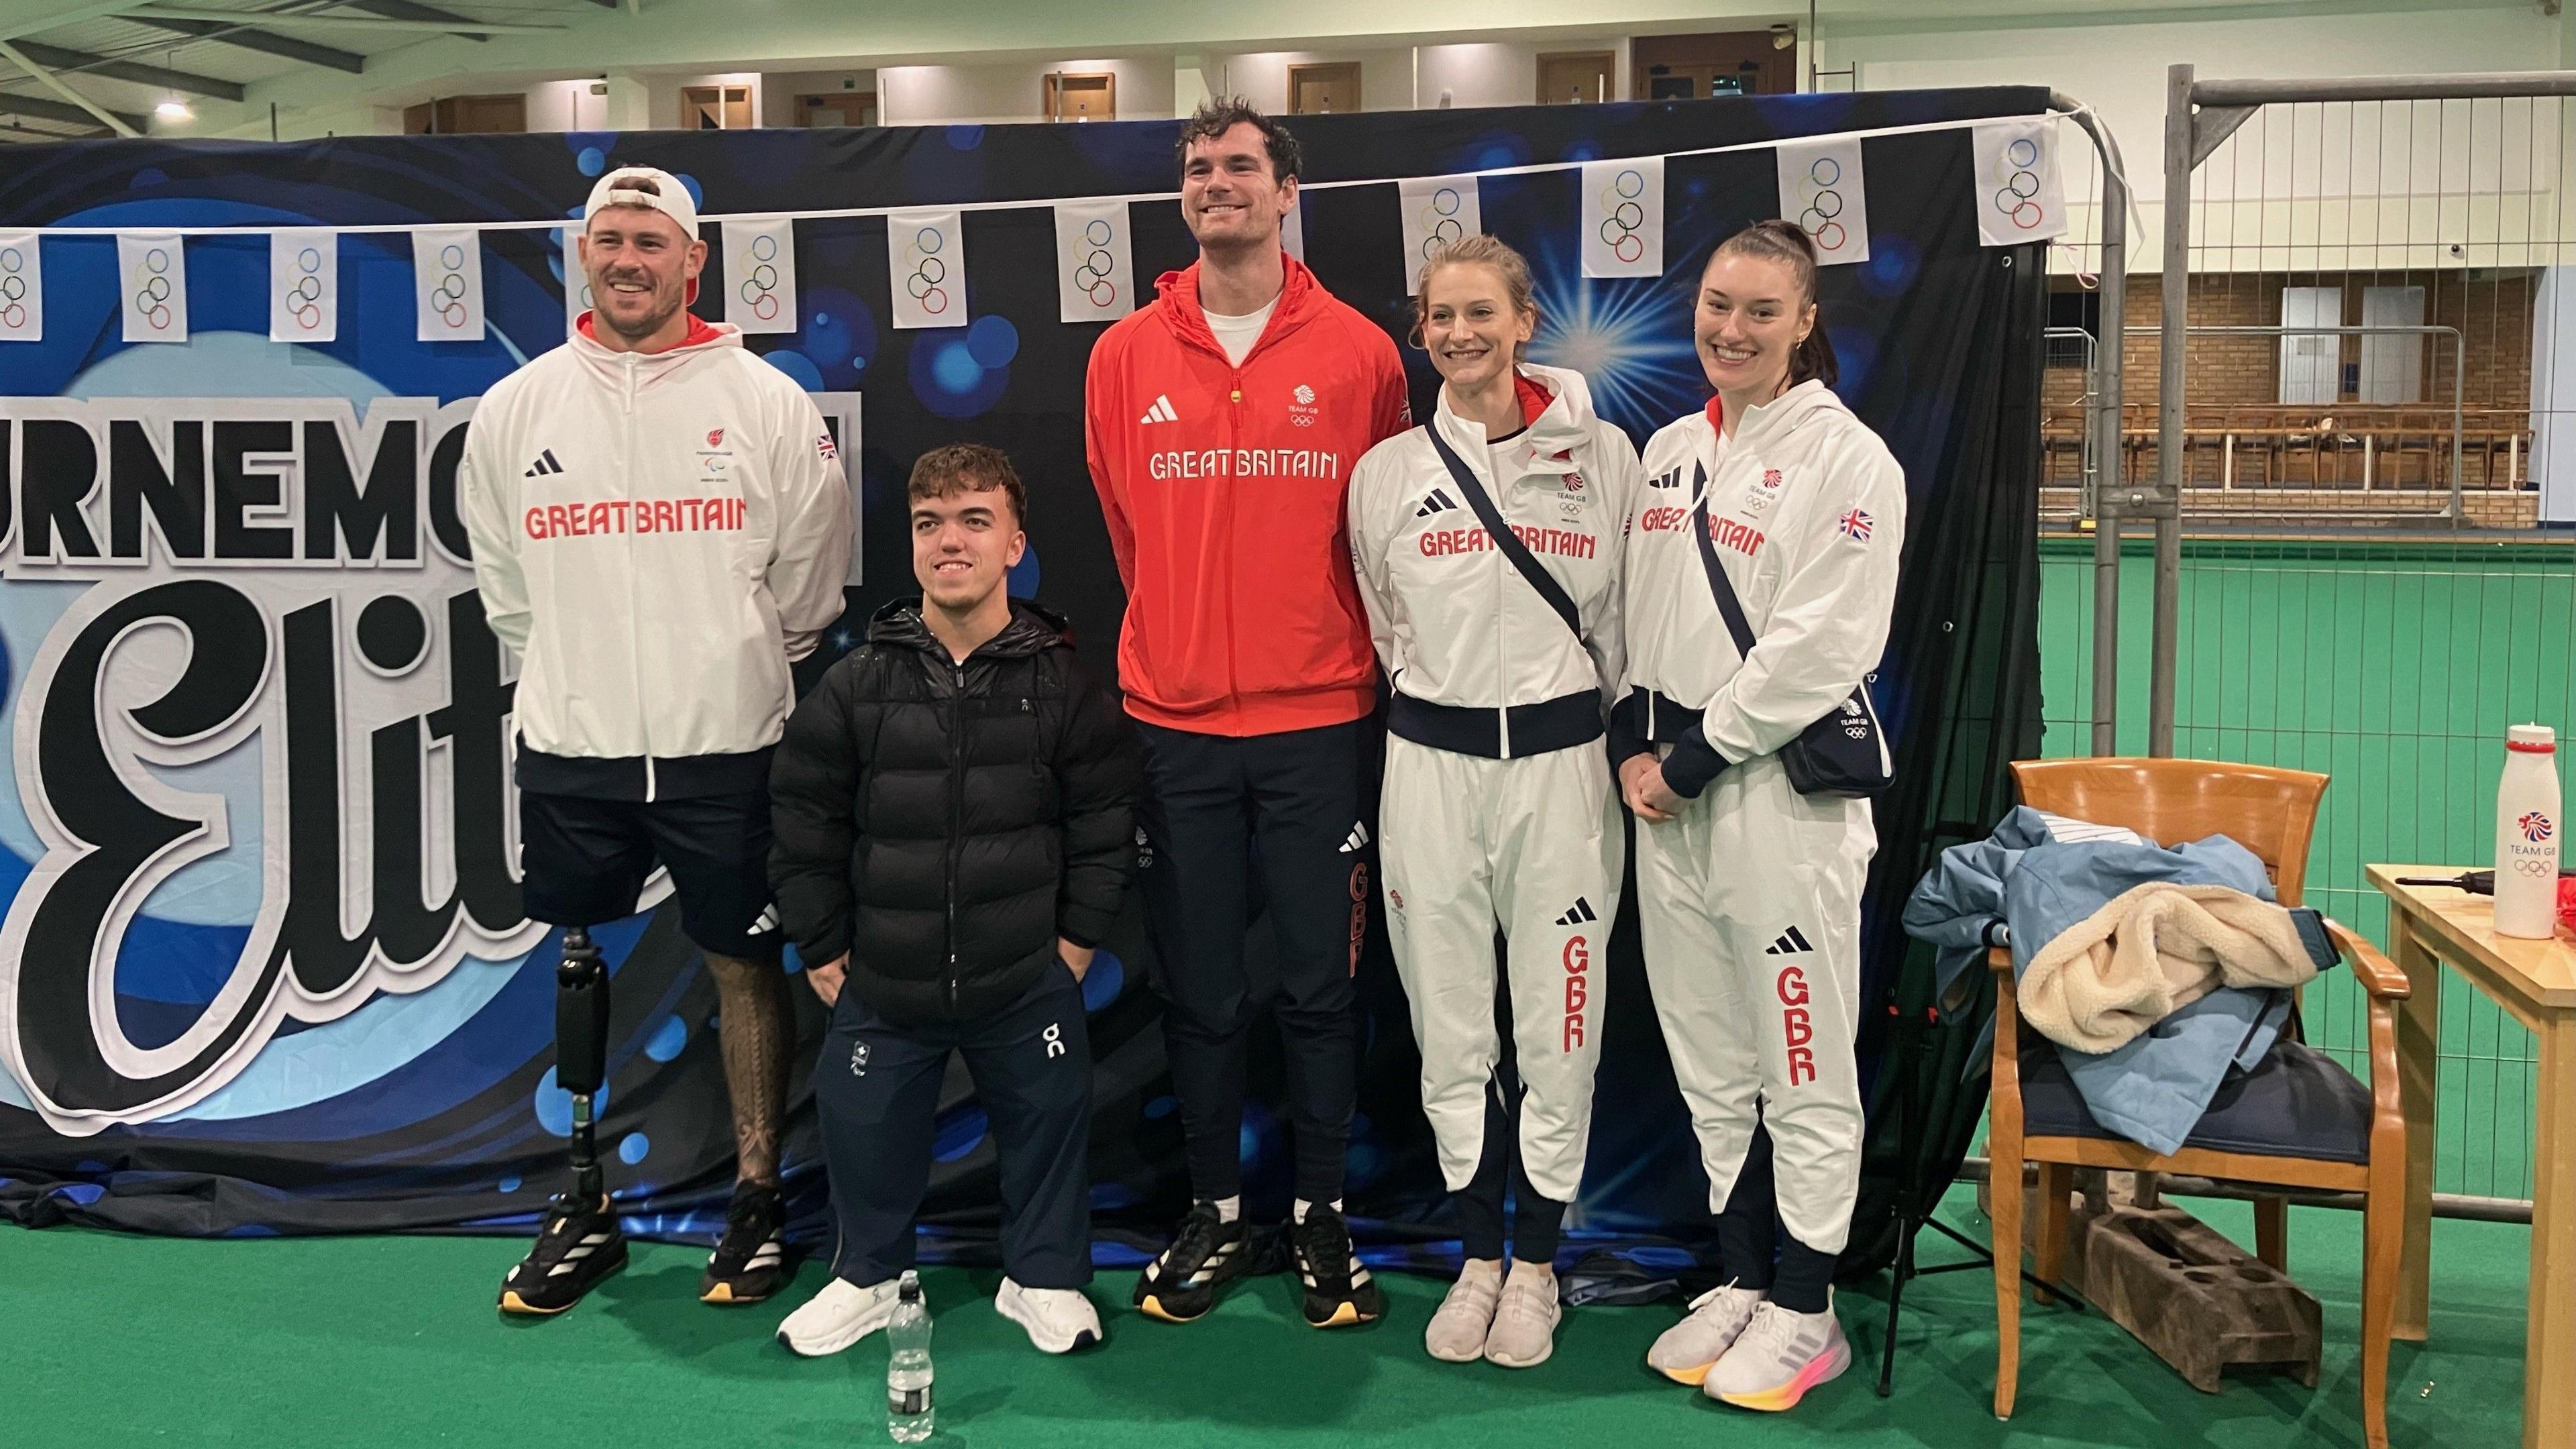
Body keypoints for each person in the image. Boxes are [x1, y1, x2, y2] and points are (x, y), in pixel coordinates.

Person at [464, 165, 853, 1316]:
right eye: (608, 239)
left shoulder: (767, 400)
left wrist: (722, 674)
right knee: (575, 953)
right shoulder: (518, 408)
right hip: (573, 743)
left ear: (695, 262)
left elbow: (808, 588)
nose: (627, 260)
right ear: (584, 258)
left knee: (747, 964)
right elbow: (507, 592)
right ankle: (583, 1196)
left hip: (725, 745)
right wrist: (579, 677)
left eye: (651, 242)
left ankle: (754, 1195)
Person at [1083, 97, 1411, 1330]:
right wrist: (1181, 642)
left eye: (1240, 168)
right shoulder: (1124, 357)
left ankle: (1322, 1218)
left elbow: (1384, 539)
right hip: (1173, 727)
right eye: (1198, 169)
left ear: (1288, 194)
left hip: (1322, 721)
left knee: (1321, 989)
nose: (1216, 184)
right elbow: (1126, 530)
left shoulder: (1365, 354)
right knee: (1203, 991)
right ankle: (1216, 1213)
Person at [1612, 220, 1905, 1409]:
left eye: (1761, 313)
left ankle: (1806, 1304)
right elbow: (1634, 615)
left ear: (1805, 323)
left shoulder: (1850, 461)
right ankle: (1742, 1278)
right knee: (1710, 1055)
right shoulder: (1671, 449)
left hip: (1775, 796)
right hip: (1668, 792)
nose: (1731, 331)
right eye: (1718, 306)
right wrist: (1644, 749)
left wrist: (1691, 759)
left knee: (1802, 1059)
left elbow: (1824, 644)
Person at [764, 443, 1144, 1357]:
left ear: (1015, 542)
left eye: (975, 521)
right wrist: (820, 943)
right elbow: (802, 818)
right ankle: (863, 1277)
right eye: (930, 524)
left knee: (1051, 1126)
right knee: (857, 1133)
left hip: (1025, 975)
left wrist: (1078, 944)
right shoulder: (856, 685)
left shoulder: (1062, 684)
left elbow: (1104, 819)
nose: (950, 542)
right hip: (885, 981)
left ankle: (1043, 1278)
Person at [1346, 235, 1640, 1369]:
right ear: (1420, 331)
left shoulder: (1607, 459)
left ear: (1526, 321)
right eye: (1438, 317)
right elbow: (1388, 629)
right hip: (1430, 772)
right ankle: (1477, 1256)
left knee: (1561, 1026)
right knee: (1453, 1030)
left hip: (1565, 774)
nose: (1458, 335)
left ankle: (1539, 1268)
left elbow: (1618, 627)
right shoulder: (1385, 475)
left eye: (1481, 313)